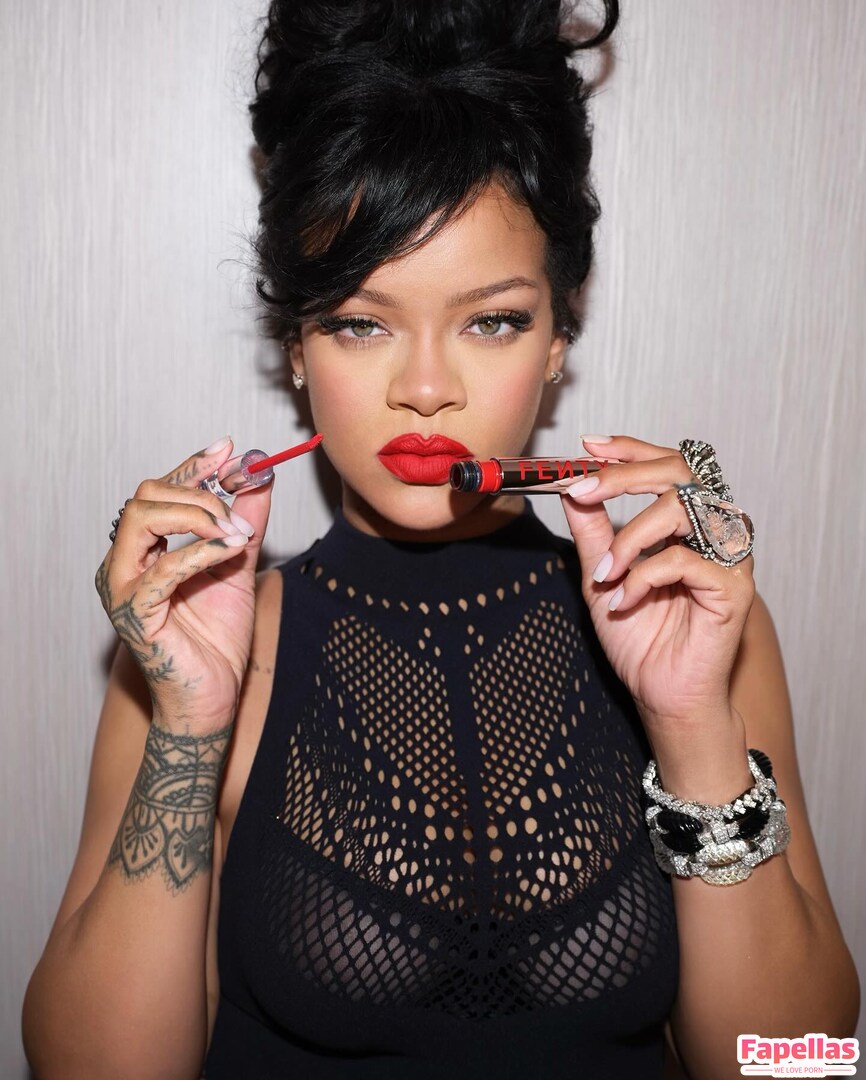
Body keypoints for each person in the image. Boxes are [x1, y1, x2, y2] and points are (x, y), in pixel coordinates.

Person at [22, 1, 859, 1078]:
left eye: (491, 320)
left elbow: (793, 1063)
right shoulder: (201, 637)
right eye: (360, 322)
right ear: (296, 347)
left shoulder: (685, 616)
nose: (424, 388)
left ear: (558, 338)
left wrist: (692, 727)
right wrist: (189, 721)